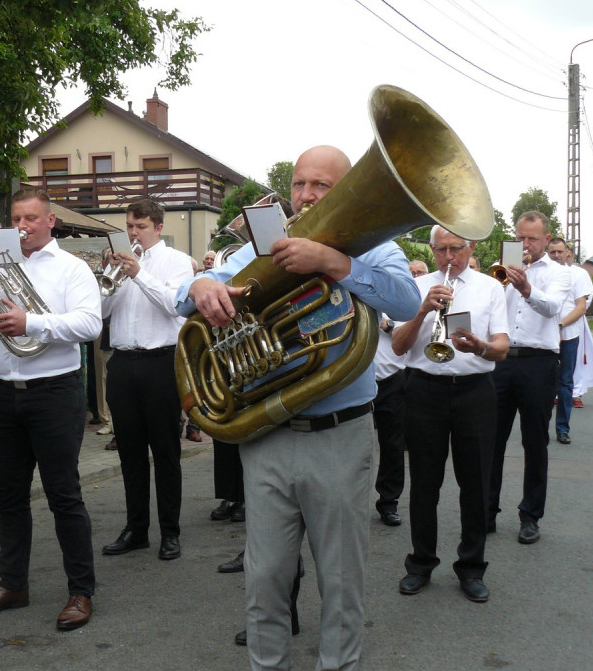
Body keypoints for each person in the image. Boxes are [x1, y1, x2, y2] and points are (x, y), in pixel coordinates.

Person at [176, 145, 420, 671]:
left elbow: (406, 301)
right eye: (299, 184)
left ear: (346, 188)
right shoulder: (266, 241)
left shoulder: (376, 244)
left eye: (321, 185)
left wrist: (335, 263)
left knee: (341, 578)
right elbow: (186, 296)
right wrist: (200, 285)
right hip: (267, 434)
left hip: (340, 435)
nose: (307, 195)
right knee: (265, 576)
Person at [0, 188, 102, 631]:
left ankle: (81, 590)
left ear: (50, 221)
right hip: (6, 393)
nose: (21, 227)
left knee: (64, 495)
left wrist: (32, 322)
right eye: (15, 219)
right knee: (8, 496)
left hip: (54, 392)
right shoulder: (0, 265)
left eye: (31, 219)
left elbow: (89, 323)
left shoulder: (72, 268)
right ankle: (13, 584)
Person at [391, 226, 508, 602]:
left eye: (455, 248)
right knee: (424, 483)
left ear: (470, 247)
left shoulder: (490, 287)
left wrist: (480, 346)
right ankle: (420, 563)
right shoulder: (417, 286)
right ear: (431, 249)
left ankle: (471, 568)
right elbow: (398, 346)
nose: (448, 257)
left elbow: (502, 347)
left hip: (475, 391)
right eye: (440, 250)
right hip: (424, 389)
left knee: (475, 483)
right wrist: (422, 310)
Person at [99, 199, 193, 561]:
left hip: (161, 363)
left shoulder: (177, 262)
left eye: (140, 227)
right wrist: (108, 278)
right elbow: (101, 312)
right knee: (130, 453)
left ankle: (170, 531)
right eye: (129, 226)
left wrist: (138, 273)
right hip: (123, 363)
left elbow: (173, 305)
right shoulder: (120, 265)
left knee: (166, 451)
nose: (133, 233)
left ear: (158, 227)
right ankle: (136, 529)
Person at [488, 211, 570, 546]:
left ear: (546, 239)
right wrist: (500, 279)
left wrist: (525, 287)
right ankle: (486, 510)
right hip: (502, 360)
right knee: (491, 439)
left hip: (539, 362)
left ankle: (530, 516)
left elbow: (552, 308)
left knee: (535, 441)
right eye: (520, 237)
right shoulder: (501, 268)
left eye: (532, 238)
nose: (525, 244)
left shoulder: (559, 273)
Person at [547, 240, 592, 443]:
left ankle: (562, 428)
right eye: (553, 252)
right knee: (543, 382)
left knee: (565, 382)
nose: (557, 255)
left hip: (569, 335)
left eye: (560, 251)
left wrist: (560, 325)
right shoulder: (543, 273)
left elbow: (581, 308)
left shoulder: (579, 274)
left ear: (567, 253)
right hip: (544, 337)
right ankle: (539, 426)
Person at [373, 310, 407, 527]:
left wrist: (389, 325)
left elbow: (413, 335)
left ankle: (388, 502)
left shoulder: (396, 300)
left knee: (392, 444)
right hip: (353, 382)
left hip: (390, 380)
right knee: (350, 446)